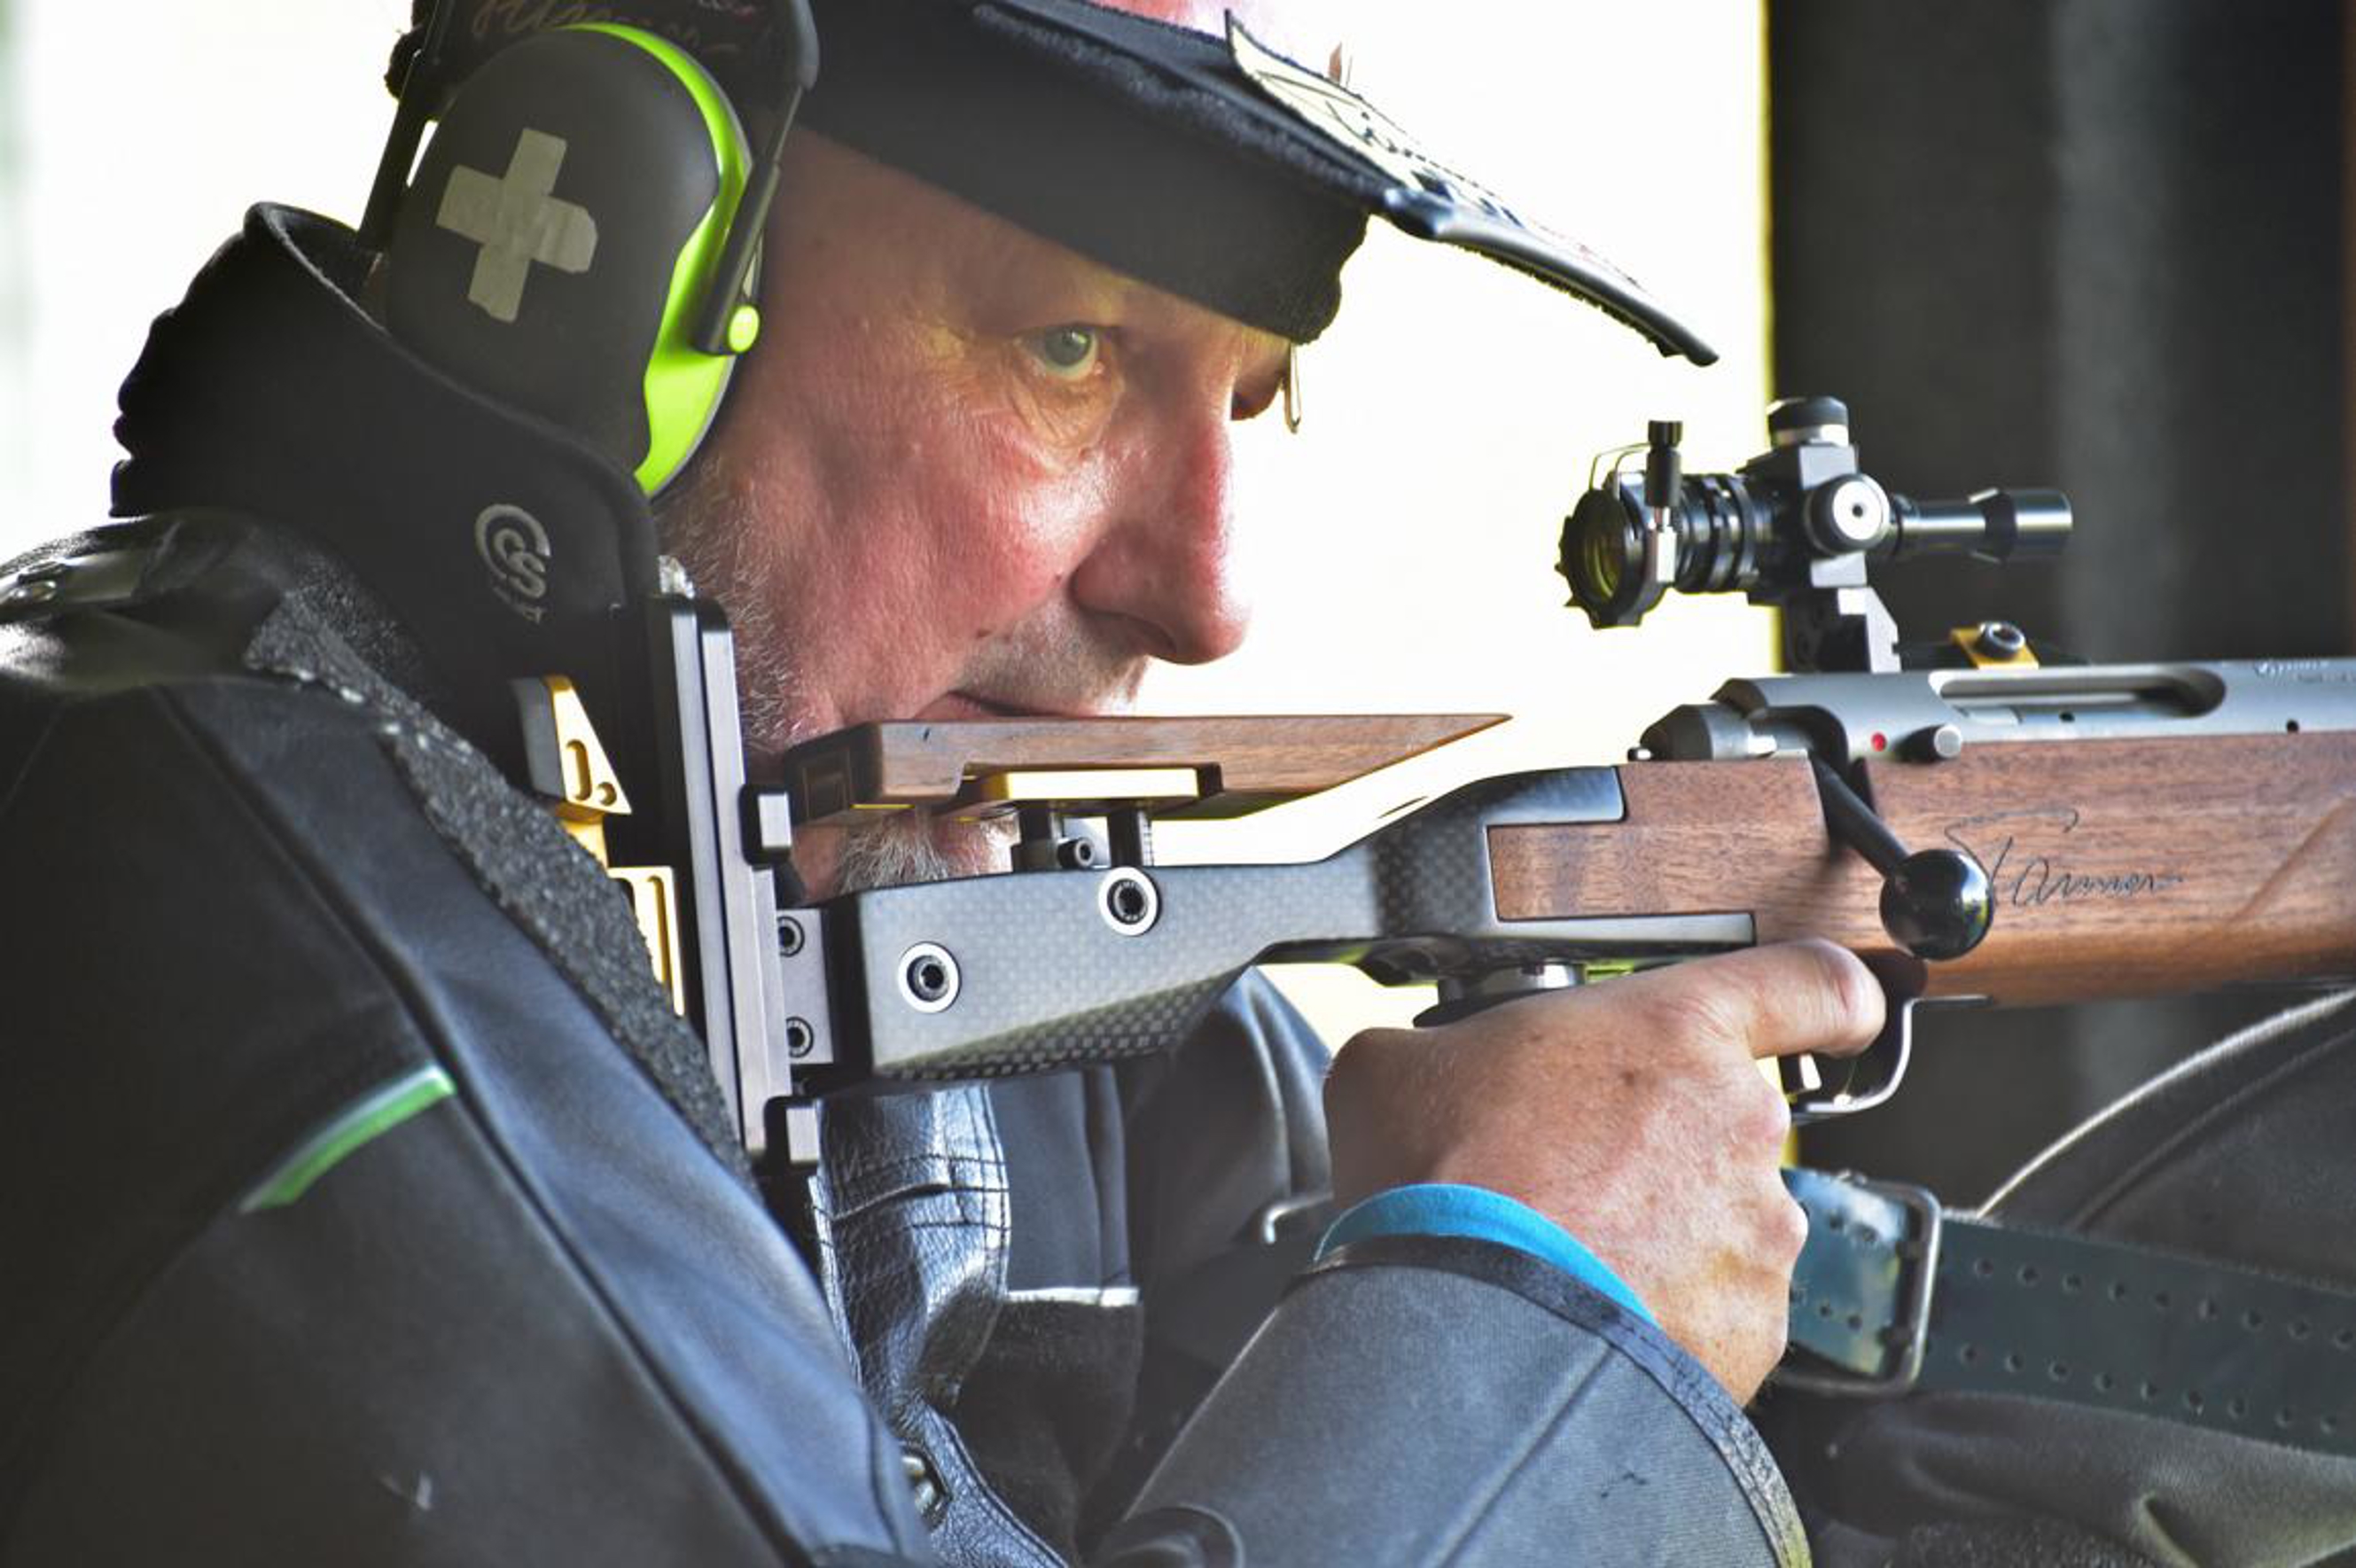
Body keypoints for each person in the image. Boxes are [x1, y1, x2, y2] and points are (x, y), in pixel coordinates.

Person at [0, 1, 1878, 1563]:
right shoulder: (274, 963)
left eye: (1248, 396)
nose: (1208, 598)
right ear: (603, 294)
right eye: (1068, 352)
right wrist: (1514, 1338)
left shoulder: (872, 886)